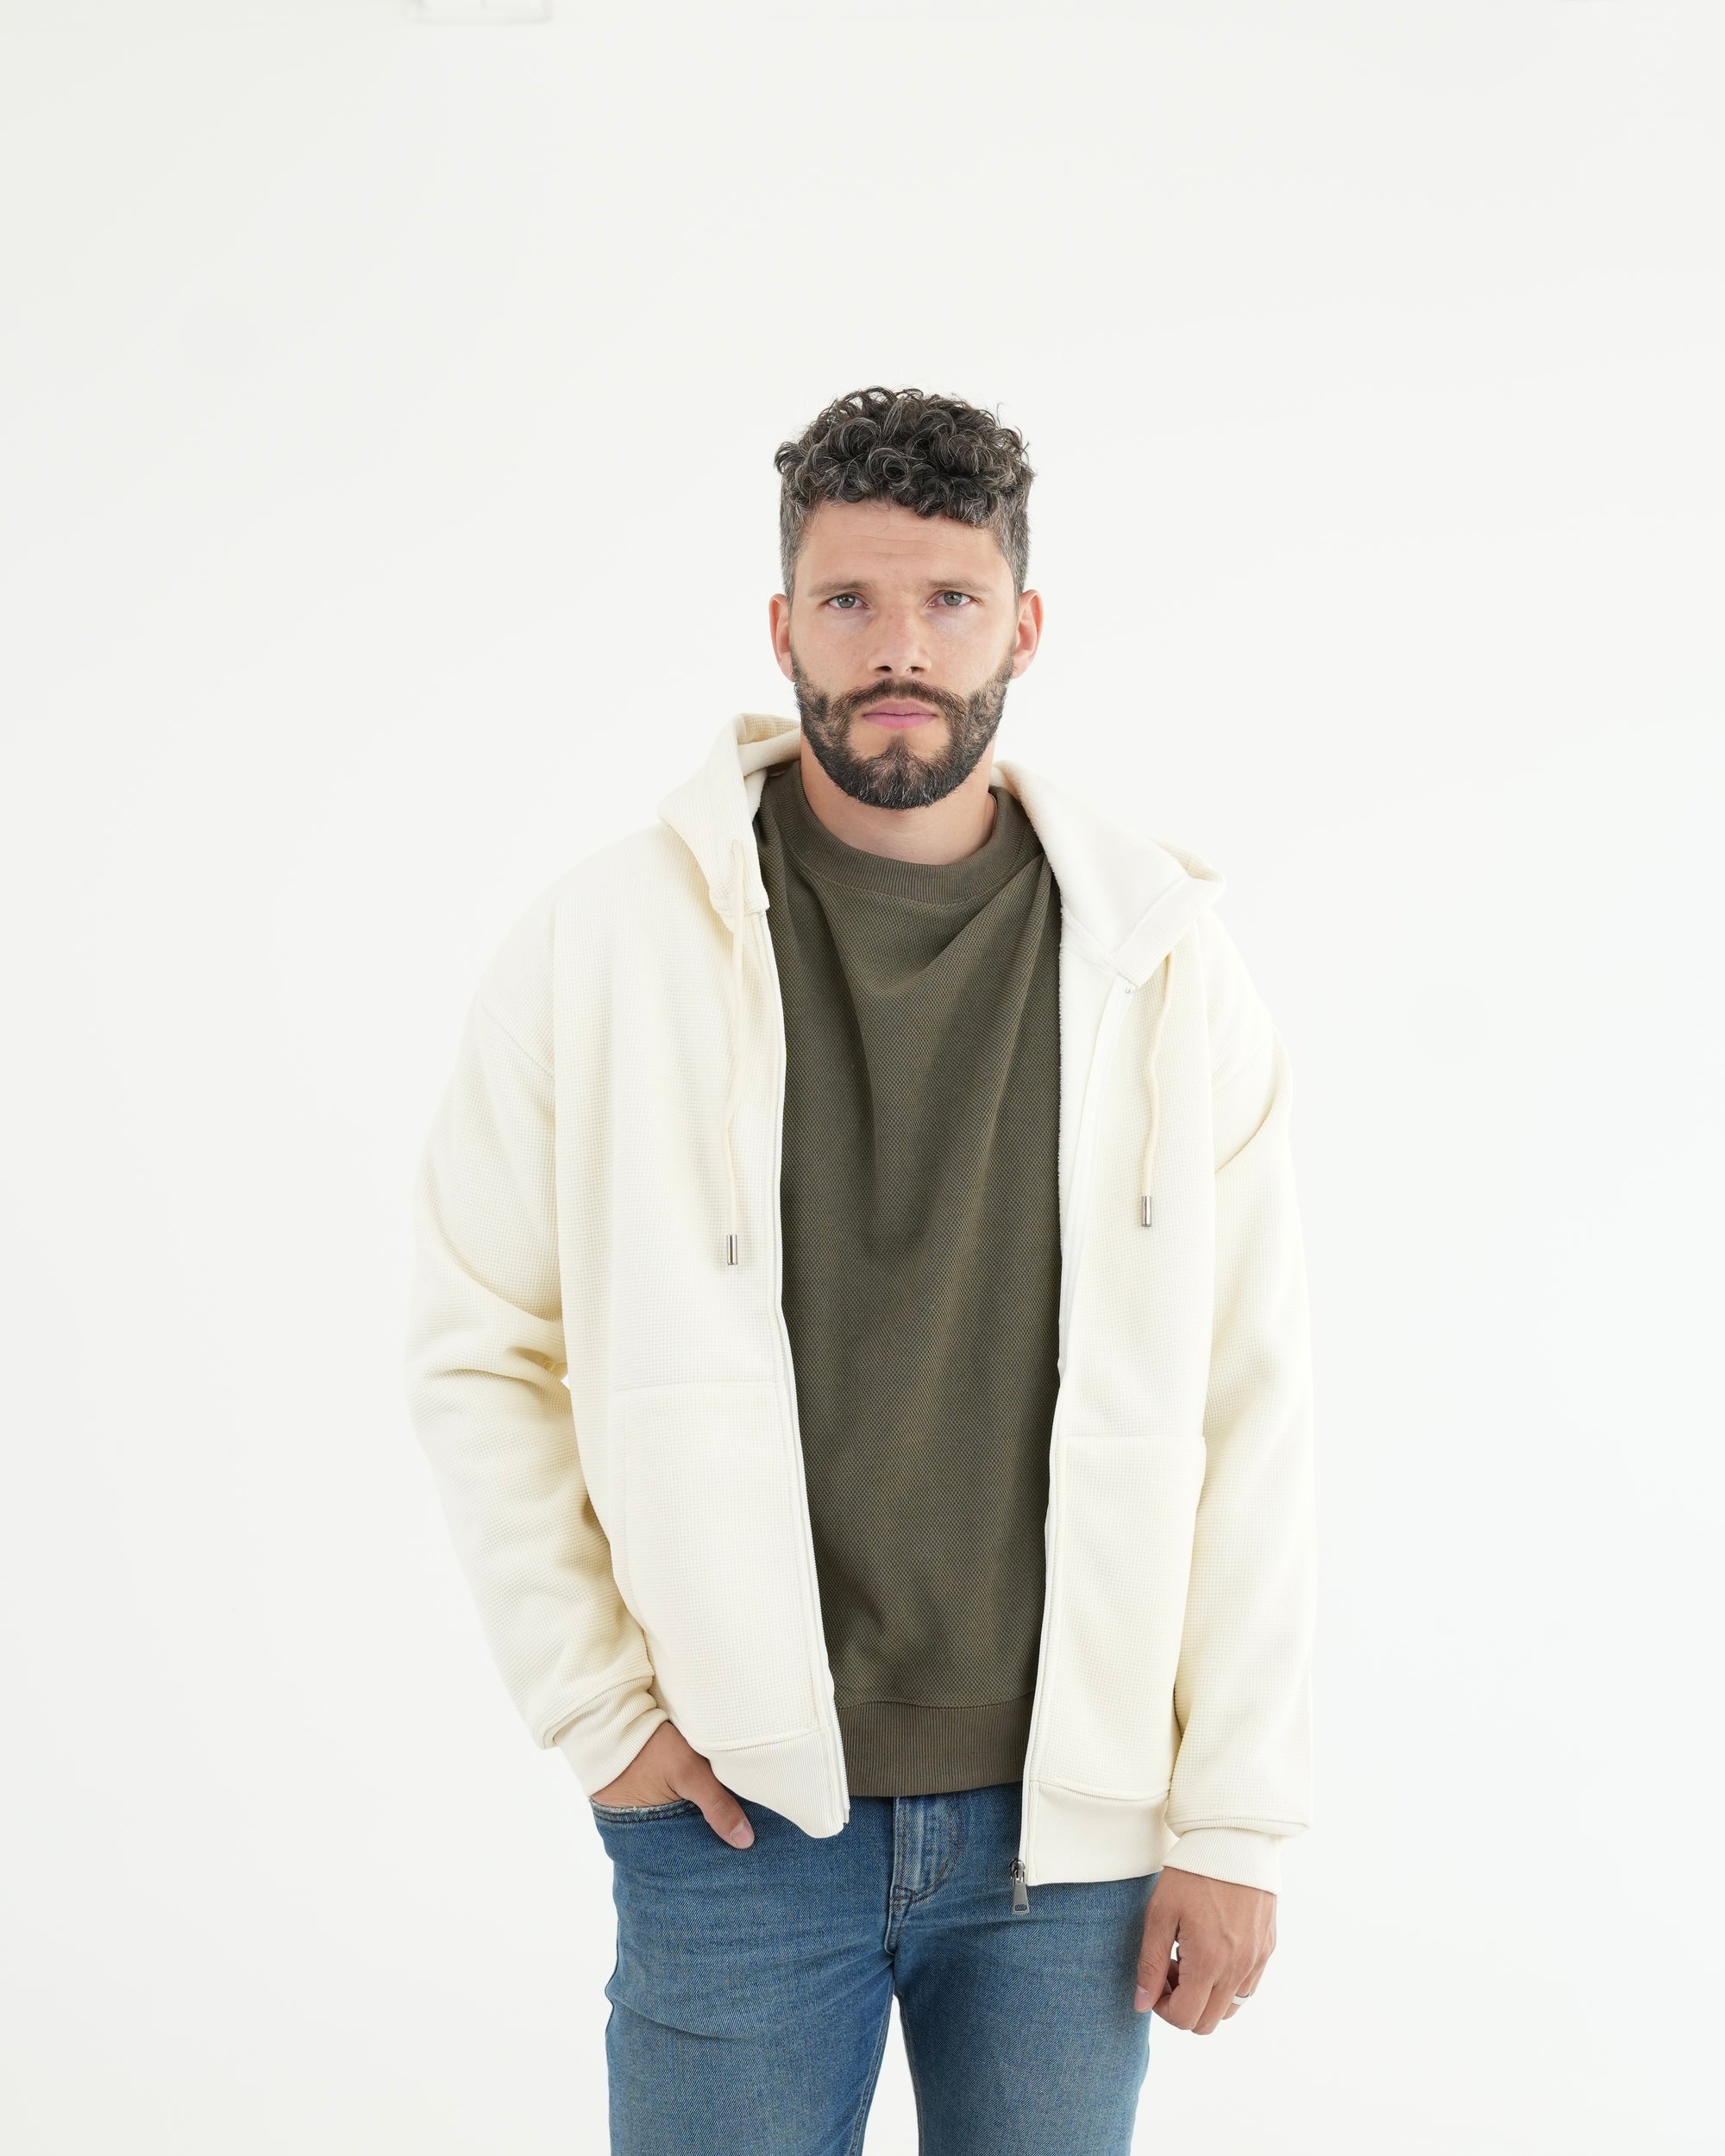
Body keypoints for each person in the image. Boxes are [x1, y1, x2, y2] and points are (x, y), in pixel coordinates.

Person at [403, 385, 1317, 2153]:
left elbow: (1252, 1396)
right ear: (782, 627)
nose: (900, 647)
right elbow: (476, 1342)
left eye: (949, 600)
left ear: (1023, 627)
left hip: (1076, 1826)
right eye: (849, 601)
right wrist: (601, 1713)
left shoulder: (1164, 965)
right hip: (736, 1817)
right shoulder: (606, 943)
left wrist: (1235, 1817)